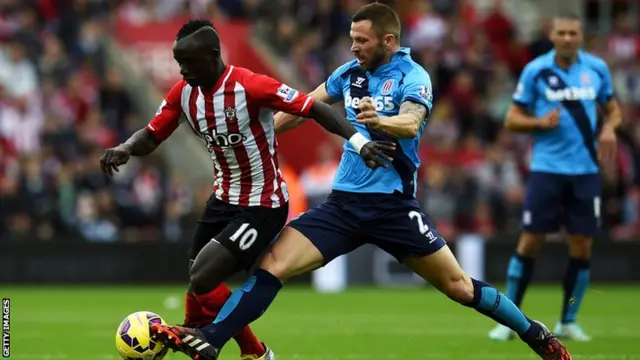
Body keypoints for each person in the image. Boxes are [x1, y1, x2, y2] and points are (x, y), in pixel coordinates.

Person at [149, 4, 572, 360]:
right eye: (352, 38)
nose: (354, 46)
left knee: (459, 287)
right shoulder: (348, 73)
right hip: (343, 206)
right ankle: (212, 340)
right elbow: (303, 107)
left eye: (362, 41)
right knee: (271, 266)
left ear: (388, 41)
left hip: (392, 208)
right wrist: (258, 131)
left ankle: (533, 332)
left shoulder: (414, 76)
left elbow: (411, 122)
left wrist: (378, 121)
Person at [100, 19, 394, 360]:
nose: (182, 70)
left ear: (213, 56)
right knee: (199, 287)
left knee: (203, 275)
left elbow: (314, 108)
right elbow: (152, 134)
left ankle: (231, 346)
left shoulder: (250, 86)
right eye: (179, 62)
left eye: (189, 62)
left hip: (262, 204)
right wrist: (126, 147)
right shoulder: (184, 93)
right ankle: (243, 351)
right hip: (223, 199)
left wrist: (359, 142)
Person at [488, 11, 621, 342]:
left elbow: (614, 109)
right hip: (546, 169)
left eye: (572, 34)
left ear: (581, 36)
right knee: (530, 241)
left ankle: (569, 318)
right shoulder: (536, 71)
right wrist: (538, 123)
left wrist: (609, 128)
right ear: (552, 36)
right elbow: (511, 118)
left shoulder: (596, 69)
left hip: (585, 172)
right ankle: (509, 319)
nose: (566, 39)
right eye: (560, 33)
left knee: (581, 246)